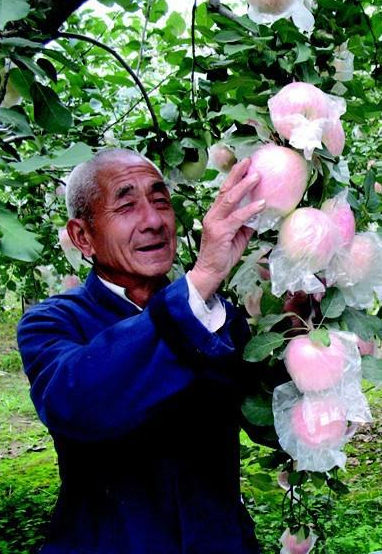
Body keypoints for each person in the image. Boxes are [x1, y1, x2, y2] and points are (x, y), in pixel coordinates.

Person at [17, 148, 267, 554]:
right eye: (126, 205)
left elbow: (264, 422)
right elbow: (80, 402)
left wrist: (297, 334)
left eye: (160, 201)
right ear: (83, 236)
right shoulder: (53, 322)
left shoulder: (217, 316)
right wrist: (201, 280)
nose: (153, 222)